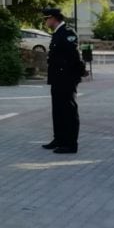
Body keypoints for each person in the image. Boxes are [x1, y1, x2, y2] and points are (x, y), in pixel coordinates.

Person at [41, 8, 86, 153]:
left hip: (67, 78)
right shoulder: (58, 33)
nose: (45, 21)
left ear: (53, 18)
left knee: (68, 111)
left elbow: (74, 56)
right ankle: (59, 139)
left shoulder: (68, 33)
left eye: (46, 18)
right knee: (58, 110)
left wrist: (77, 75)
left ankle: (71, 144)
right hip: (57, 78)